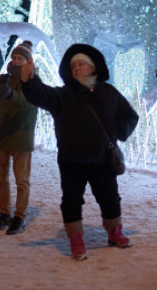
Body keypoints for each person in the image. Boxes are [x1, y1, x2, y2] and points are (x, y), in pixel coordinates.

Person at [19, 43, 139, 260]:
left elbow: (130, 116)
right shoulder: (64, 95)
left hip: (102, 158)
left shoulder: (109, 92)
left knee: (110, 197)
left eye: (81, 64)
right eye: (73, 65)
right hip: (71, 158)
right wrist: (29, 81)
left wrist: (114, 134)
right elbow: (41, 95)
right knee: (72, 199)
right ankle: (76, 239)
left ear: (93, 68)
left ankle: (115, 233)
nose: (76, 68)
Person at [0, 41, 38, 234]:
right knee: (0, 179)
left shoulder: (33, 80)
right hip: (2, 134)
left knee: (22, 180)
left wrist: (11, 94)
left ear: (28, 61)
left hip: (21, 135)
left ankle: (19, 217)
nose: (15, 60)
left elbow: (28, 103)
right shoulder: (4, 78)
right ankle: (5, 214)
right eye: (14, 57)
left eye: (20, 58)